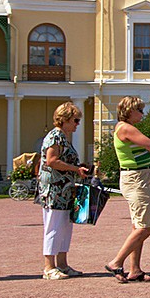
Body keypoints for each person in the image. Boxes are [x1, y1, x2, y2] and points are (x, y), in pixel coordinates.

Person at [105, 96, 150, 283]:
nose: (142, 114)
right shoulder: (126, 128)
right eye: (139, 110)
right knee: (147, 225)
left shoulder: (123, 127)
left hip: (137, 177)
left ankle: (135, 269)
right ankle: (116, 262)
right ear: (130, 111)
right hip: (135, 178)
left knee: (138, 225)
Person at [35, 102, 90, 280]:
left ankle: (63, 264)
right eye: (75, 120)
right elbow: (51, 161)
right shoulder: (55, 136)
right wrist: (75, 170)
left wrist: (77, 168)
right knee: (54, 226)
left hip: (65, 190)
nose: (77, 123)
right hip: (54, 190)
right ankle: (49, 267)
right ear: (64, 119)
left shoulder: (64, 137)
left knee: (65, 227)